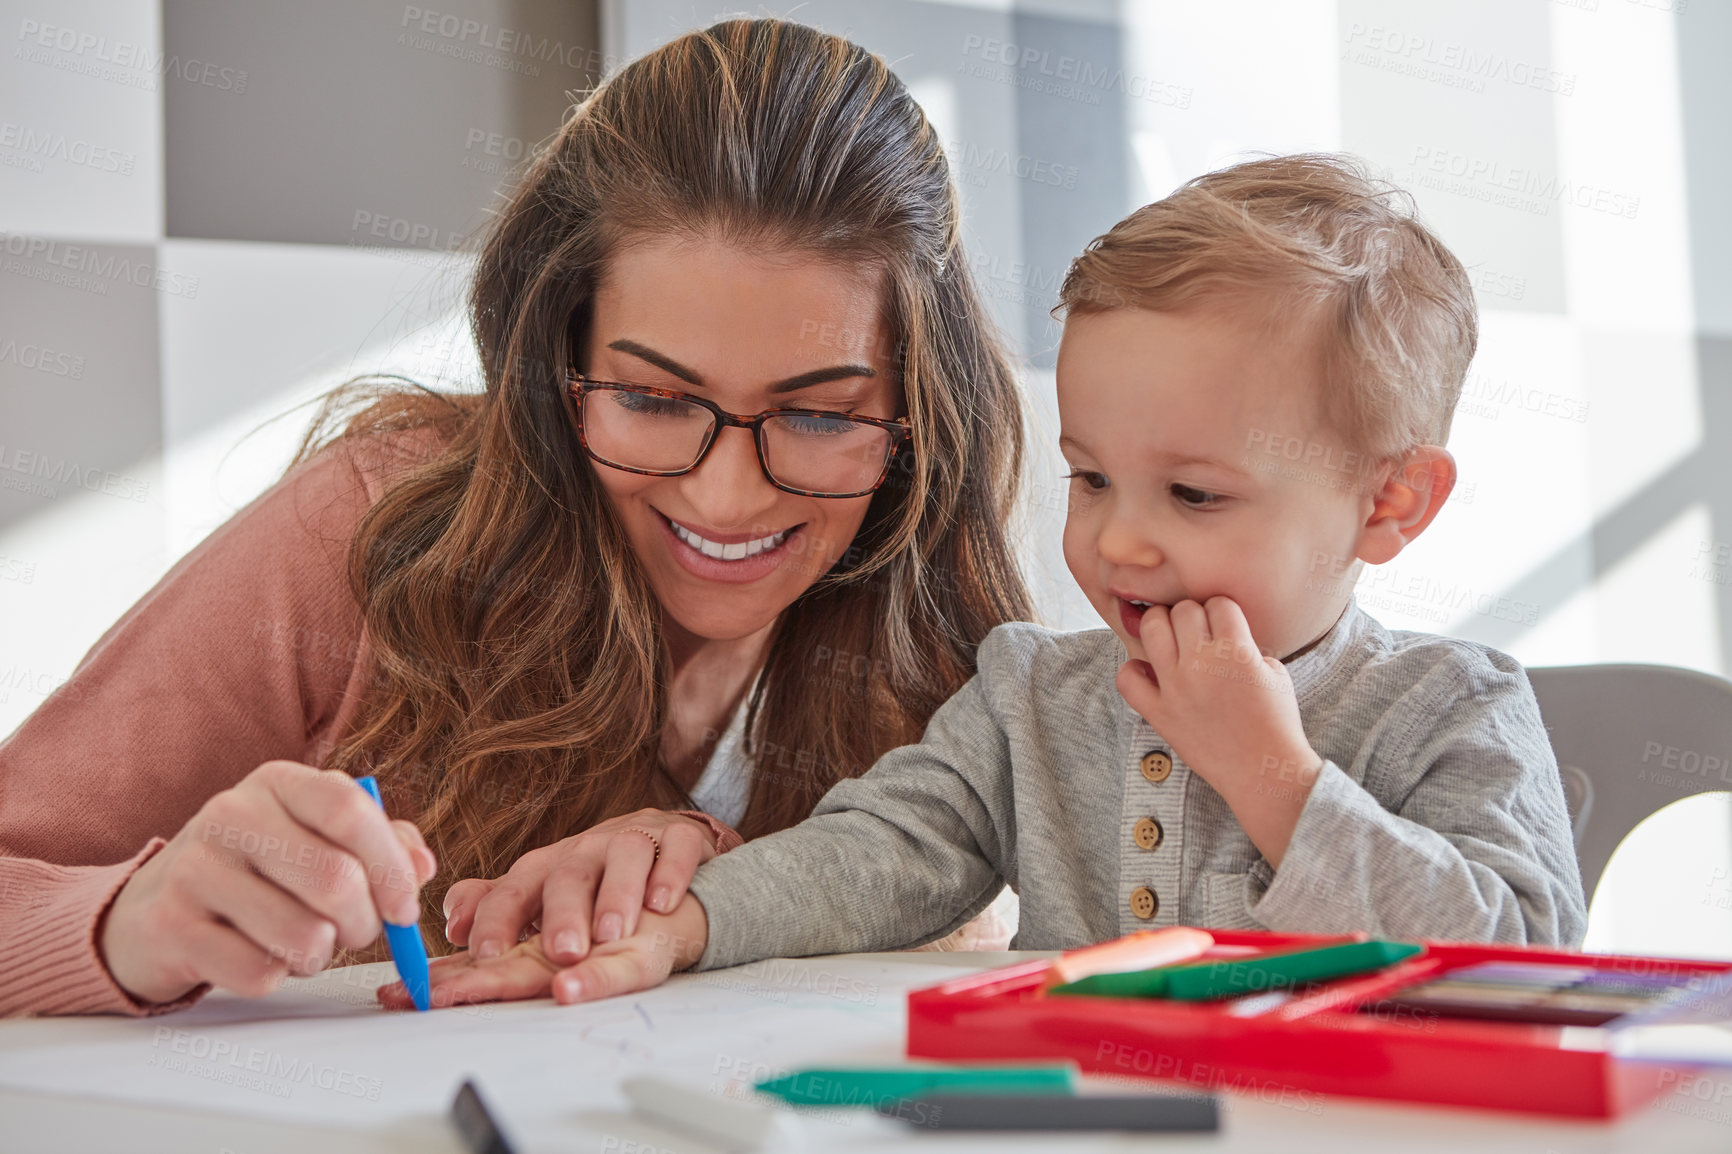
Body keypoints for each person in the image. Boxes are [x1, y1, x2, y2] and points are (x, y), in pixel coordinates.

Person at [0, 17, 1032, 1017]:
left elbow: (969, 942)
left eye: (815, 415)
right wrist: (126, 923)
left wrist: (728, 887)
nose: (726, 497)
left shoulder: (934, 621)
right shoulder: (372, 533)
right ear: (557, 363)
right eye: (653, 400)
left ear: (916, 413)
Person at [391, 153, 1589, 1009]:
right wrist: (682, 926)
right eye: (1089, 478)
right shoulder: (1031, 694)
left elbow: (1525, 958)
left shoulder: (1447, 705)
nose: (1118, 542)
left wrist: (1272, 775)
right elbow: (876, 849)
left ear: (1391, 503)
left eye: (1195, 496)